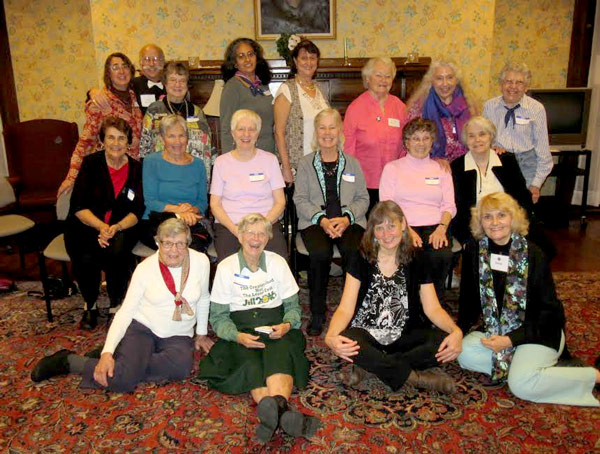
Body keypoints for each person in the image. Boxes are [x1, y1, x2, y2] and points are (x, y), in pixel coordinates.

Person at [32, 218, 213, 393]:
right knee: (122, 380)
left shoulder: (201, 262)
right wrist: (106, 353)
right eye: (167, 243)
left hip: (178, 334)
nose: (174, 250)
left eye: (180, 244)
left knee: (181, 368)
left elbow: (204, 298)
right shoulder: (145, 270)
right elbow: (125, 312)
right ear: (158, 243)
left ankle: (126, 359)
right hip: (144, 328)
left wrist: (202, 334)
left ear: (188, 243)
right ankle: (69, 361)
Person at [457, 193, 600, 406]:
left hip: (539, 331)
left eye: (501, 215)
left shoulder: (533, 254)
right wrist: (457, 332)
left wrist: (510, 340)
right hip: (499, 329)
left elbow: (548, 314)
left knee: (521, 385)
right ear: (480, 222)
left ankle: (594, 376)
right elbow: (468, 300)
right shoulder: (475, 252)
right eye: (488, 217)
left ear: (513, 218)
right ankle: (526, 368)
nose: (495, 223)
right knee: (464, 354)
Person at [197, 214, 320, 442]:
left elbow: (293, 307)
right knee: (251, 362)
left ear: (268, 238)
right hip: (241, 328)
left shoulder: (278, 263)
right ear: (240, 236)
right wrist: (236, 336)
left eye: (261, 233)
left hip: (276, 325)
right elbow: (219, 317)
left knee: (279, 355)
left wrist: (286, 325)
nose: (256, 238)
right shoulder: (226, 267)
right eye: (250, 233)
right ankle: (284, 415)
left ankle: (276, 413)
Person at [324, 201, 462, 393]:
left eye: (391, 226)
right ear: (372, 231)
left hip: (405, 335)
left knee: (444, 340)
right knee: (346, 339)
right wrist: (330, 336)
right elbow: (345, 308)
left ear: (403, 225)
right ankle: (417, 377)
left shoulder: (417, 258)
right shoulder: (361, 256)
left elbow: (433, 308)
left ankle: (372, 367)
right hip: (367, 334)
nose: (386, 234)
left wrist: (456, 331)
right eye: (379, 228)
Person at [64, 117, 144, 330]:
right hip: (87, 224)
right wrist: (101, 227)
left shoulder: (137, 169)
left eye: (121, 138)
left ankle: (115, 304)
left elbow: (137, 210)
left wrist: (115, 228)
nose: (116, 143)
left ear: (129, 143)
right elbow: (79, 206)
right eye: (111, 137)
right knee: (86, 255)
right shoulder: (91, 164)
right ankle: (89, 304)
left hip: (122, 226)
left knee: (117, 252)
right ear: (102, 141)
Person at [294, 108, 368, 336]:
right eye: (322, 127)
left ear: (340, 131)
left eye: (332, 127)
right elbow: (300, 199)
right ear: (316, 133)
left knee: (353, 251)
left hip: (350, 221)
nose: (327, 133)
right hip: (315, 221)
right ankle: (317, 312)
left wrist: (346, 218)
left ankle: (356, 310)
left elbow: (363, 198)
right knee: (320, 253)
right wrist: (323, 220)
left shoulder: (353, 163)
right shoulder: (306, 164)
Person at [379, 118, 456, 300]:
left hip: (436, 227)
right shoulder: (392, 169)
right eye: (415, 138)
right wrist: (407, 230)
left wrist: (442, 229)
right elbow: (387, 205)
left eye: (426, 138)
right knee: (413, 257)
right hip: (403, 226)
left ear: (432, 141)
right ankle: (410, 306)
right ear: (406, 142)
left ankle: (433, 306)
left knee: (442, 256)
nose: (421, 143)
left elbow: (449, 205)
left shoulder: (441, 169)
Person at [58, 53, 143, 197]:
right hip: (109, 170)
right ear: (108, 73)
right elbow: (86, 142)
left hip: (133, 170)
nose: (121, 71)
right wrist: (71, 177)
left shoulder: (134, 96)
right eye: (115, 67)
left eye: (125, 66)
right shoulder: (99, 102)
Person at [210, 109, 287, 262]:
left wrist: (262, 226)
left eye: (251, 129)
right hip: (231, 226)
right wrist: (236, 230)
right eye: (241, 129)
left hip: (266, 223)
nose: (246, 134)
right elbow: (215, 204)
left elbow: (280, 202)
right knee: (229, 264)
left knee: (278, 261)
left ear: (257, 134)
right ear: (233, 133)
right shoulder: (221, 163)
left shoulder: (270, 160)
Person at [451, 116, 533, 246]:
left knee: (538, 250)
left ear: (491, 137)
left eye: (482, 134)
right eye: (471, 136)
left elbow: (523, 197)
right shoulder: (457, 167)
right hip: (475, 228)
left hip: (508, 224)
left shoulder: (507, 160)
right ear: (466, 140)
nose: (477, 140)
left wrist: (518, 226)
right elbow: (458, 208)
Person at [483, 63, 553, 203]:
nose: (513, 87)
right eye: (508, 81)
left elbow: (543, 152)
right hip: (499, 163)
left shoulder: (536, 109)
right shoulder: (489, 106)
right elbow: (484, 138)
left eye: (519, 82)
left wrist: (536, 184)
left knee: (521, 214)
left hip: (527, 165)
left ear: (526, 87)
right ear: (501, 84)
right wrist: (493, 146)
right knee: (499, 208)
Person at [343, 57, 407, 212]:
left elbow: (407, 144)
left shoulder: (399, 106)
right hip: (365, 184)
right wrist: (349, 184)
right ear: (367, 78)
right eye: (379, 75)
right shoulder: (355, 108)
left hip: (395, 181)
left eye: (388, 76)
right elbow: (348, 150)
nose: (384, 80)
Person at [141, 114, 210, 253]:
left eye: (181, 135)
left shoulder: (198, 164)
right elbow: (151, 202)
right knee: (174, 246)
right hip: (156, 220)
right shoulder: (151, 162)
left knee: (193, 249)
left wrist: (189, 212)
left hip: (190, 221)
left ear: (187, 137)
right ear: (162, 139)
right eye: (171, 136)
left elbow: (203, 203)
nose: (177, 141)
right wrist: (179, 212)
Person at [139, 61, 212, 181]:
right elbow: (144, 148)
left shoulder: (198, 112)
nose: (178, 84)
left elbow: (208, 148)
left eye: (182, 80)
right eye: (173, 80)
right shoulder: (154, 111)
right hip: (163, 176)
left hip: (193, 175)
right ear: (165, 83)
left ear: (187, 85)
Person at [273, 39, 328, 184]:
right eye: (304, 58)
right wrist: (286, 168)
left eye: (312, 58)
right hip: (297, 168)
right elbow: (279, 132)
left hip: (321, 164)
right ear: (295, 61)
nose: (308, 62)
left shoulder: (320, 90)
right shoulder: (287, 89)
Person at [405, 59, 477, 161]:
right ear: (431, 81)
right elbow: (410, 144)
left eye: (450, 78)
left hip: (464, 167)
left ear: (456, 80)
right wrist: (435, 160)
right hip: (431, 167)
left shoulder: (469, 106)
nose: (445, 83)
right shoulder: (418, 108)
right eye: (439, 78)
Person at [220, 38, 275, 154]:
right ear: (235, 63)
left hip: (267, 152)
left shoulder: (262, 85)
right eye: (241, 56)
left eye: (250, 54)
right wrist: (228, 161)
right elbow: (226, 129)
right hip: (245, 154)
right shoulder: (232, 87)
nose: (247, 59)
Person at [90, 44, 166, 115]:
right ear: (141, 63)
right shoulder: (132, 84)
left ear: (163, 62)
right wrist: (93, 92)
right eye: (147, 59)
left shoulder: (172, 85)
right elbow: (110, 92)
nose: (151, 64)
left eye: (156, 59)